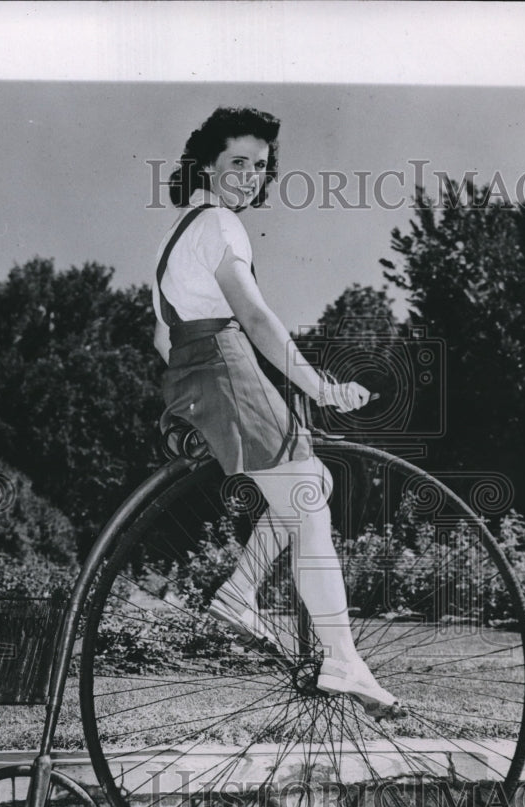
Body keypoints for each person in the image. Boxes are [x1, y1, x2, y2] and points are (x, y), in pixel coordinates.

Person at [151, 107, 403, 720]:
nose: (249, 175)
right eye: (237, 162)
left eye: (260, 166)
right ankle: (341, 655)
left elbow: (162, 337)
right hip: (225, 365)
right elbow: (256, 316)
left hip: (195, 373)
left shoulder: (178, 235)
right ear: (208, 164)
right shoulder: (220, 224)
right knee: (310, 501)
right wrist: (316, 385)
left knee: (312, 481)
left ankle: (240, 592)